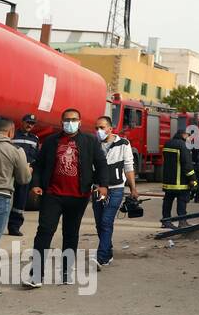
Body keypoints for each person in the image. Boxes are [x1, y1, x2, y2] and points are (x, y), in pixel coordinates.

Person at [26, 108, 108, 288]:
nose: (70, 122)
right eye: (67, 119)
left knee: (71, 234)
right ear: (61, 121)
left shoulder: (89, 141)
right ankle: (36, 274)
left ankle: (66, 272)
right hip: (53, 195)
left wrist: (103, 185)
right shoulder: (50, 141)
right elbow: (39, 166)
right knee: (44, 232)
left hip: (78, 196)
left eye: (74, 119)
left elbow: (101, 164)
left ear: (80, 121)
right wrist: (37, 184)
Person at [0, 117, 34, 295]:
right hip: (0, 197)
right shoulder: (14, 151)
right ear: (10, 132)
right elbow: (24, 179)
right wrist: (28, 169)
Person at [92, 115, 138, 267]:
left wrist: (133, 188)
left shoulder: (123, 144)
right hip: (97, 189)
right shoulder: (93, 145)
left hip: (116, 189)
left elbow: (129, 167)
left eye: (102, 127)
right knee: (99, 223)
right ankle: (108, 251)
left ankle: (101, 257)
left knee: (106, 221)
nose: (99, 131)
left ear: (110, 129)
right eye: (96, 128)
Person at [8, 113, 40, 237]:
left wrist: (32, 167)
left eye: (32, 123)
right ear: (22, 122)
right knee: (6, 199)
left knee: (20, 200)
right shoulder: (13, 135)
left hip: (25, 172)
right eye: (28, 122)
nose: (30, 125)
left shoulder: (35, 139)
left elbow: (36, 157)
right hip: (11, 172)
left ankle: (14, 226)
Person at [161, 128, 198, 225]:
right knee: (182, 200)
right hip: (181, 181)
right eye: (188, 136)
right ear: (184, 135)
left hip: (168, 180)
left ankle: (166, 221)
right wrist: (192, 179)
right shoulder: (183, 145)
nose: (189, 139)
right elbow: (187, 164)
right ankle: (182, 221)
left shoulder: (167, 143)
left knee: (168, 200)